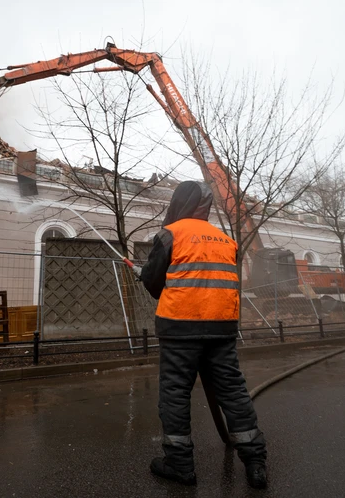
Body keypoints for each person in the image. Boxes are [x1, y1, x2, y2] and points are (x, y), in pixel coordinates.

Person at [140, 181, 267, 488]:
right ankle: (255, 463)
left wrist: (147, 273)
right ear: (206, 206)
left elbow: (154, 282)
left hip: (180, 327)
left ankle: (180, 465)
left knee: (175, 393)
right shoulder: (226, 239)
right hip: (221, 327)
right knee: (233, 392)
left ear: (179, 201)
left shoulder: (171, 233)